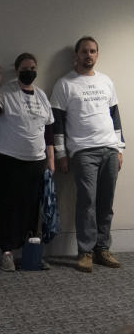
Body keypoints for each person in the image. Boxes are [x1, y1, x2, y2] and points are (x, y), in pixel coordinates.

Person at [51, 36, 124, 273]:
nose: (89, 55)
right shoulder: (65, 84)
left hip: (109, 149)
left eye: (93, 51)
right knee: (87, 202)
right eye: (84, 51)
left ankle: (103, 248)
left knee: (106, 202)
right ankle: (85, 252)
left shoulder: (106, 82)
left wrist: (119, 147)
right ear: (77, 55)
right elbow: (57, 123)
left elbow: (114, 116)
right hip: (83, 151)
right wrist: (61, 153)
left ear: (97, 55)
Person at [0, 53, 55, 272]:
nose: (29, 71)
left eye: (33, 67)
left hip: (36, 161)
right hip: (6, 159)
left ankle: (30, 252)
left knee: (31, 208)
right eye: (25, 67)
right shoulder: (7, 91)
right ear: (17, 70)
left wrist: (51, 159)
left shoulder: (41, 96)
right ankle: (6, 253)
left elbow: (49, 130)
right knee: (7, 208)